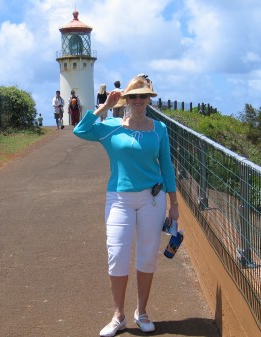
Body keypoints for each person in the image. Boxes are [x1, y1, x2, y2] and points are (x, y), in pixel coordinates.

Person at [73, 76, 179, 337]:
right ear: (127, 100)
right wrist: (105, 106)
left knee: (147, 255)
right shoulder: (111, 126)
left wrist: (173, 203)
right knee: (117, 255)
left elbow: (166, 166)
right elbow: (80, 130)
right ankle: (118, 315)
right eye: (134, 96)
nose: (139, 101)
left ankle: (141, 312)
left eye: (144, 96)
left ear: (149, 99)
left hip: (152, 199)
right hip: (119, 199)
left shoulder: (159, 129)